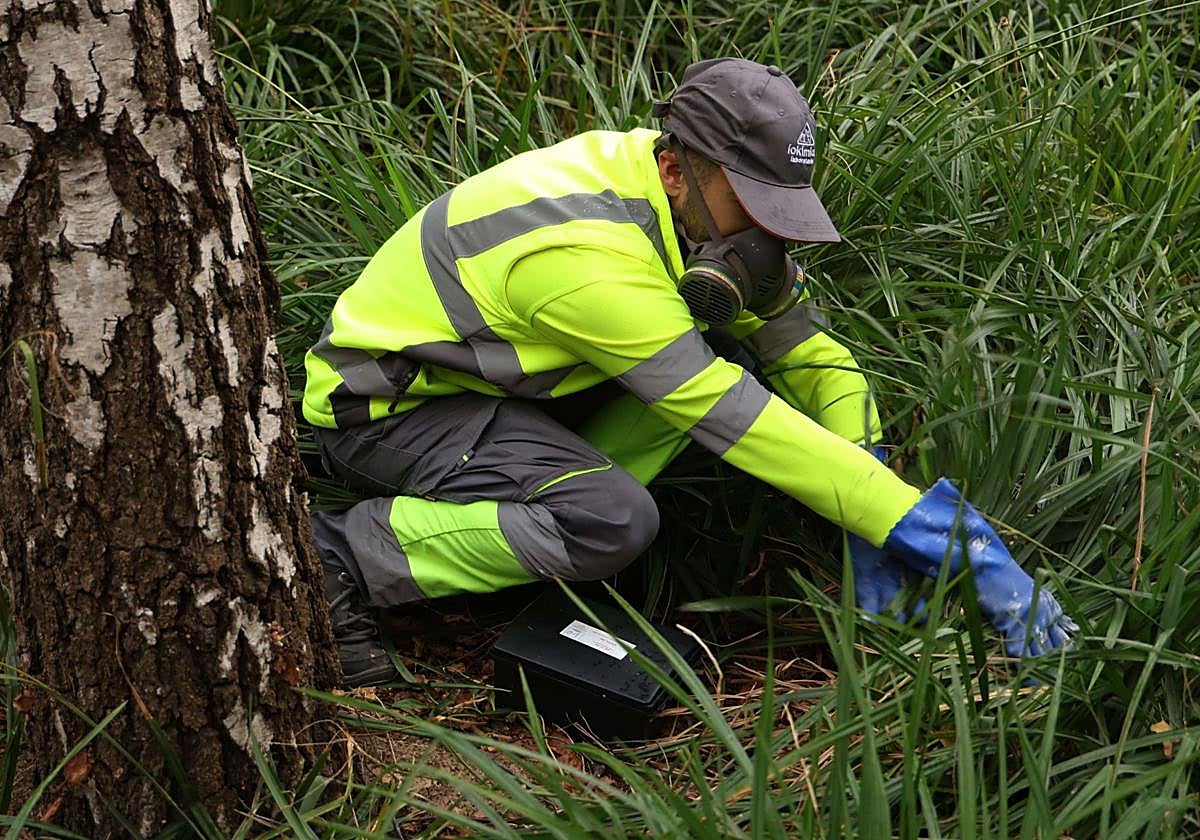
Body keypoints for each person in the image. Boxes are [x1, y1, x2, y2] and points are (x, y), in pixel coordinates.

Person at [302, 58, 1077, 687]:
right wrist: (933, 531)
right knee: (614, 520)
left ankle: (538, 531)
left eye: (785, 208)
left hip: (511, 386)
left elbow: (810, 356)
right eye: (755, 205)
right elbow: (732, 416)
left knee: (729, 355)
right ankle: (337, 554)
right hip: (389, 408)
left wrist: (864, 484)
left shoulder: (680, 206)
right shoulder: (586, 262)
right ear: (677, 170)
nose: (771, 234)